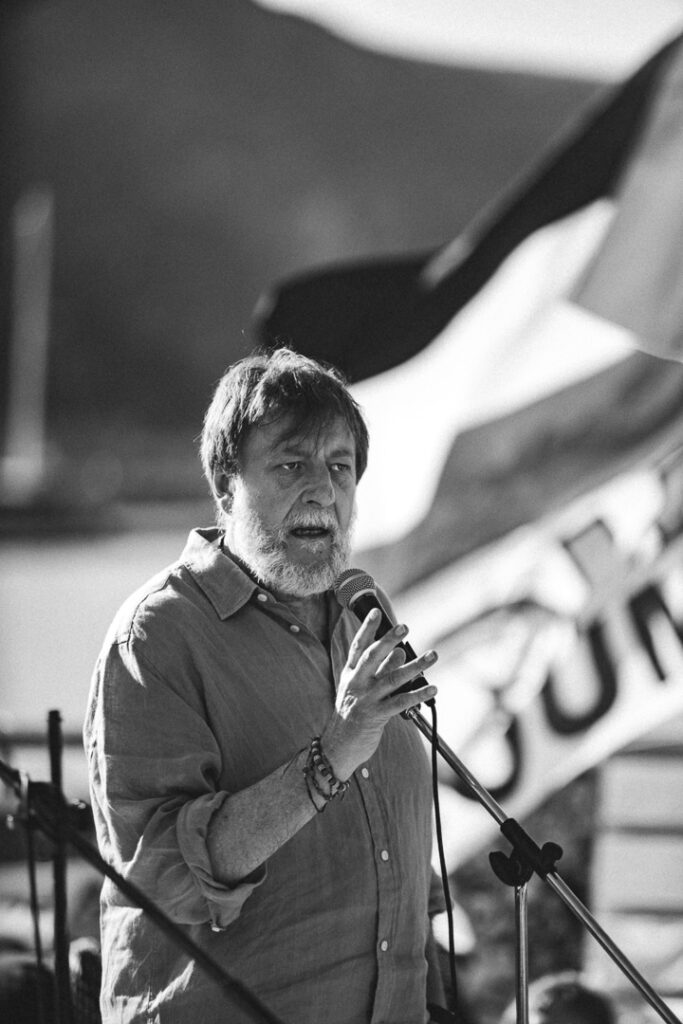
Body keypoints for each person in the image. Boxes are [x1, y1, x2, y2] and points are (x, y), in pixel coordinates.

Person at [84, 347, 448, 1024]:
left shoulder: (362, 616)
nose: (322, 491)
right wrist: (336, 750)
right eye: (290, 466)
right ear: (226, 487)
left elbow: (396, 863)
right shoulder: (159, 635)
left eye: (339, 467)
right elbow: (165, 876)